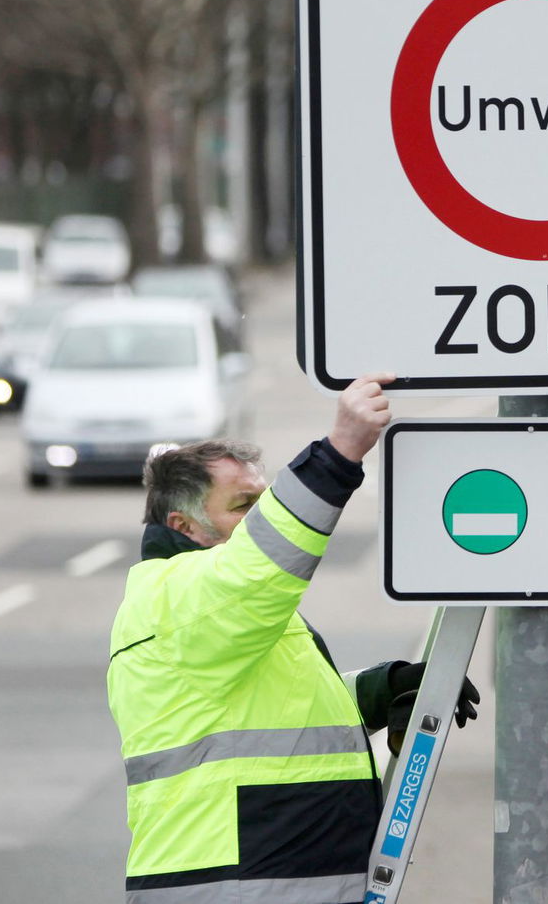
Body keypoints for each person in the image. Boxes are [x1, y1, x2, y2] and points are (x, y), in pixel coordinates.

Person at [107, 372, 479, 904]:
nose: (259, 517)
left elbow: (272, 711)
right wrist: (338, 453)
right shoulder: (181, 597)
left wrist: (379, 689)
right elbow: (262, 560)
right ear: (183, 526)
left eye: (264, 501)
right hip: (235, 889)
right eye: (242, 506)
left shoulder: (212, 613)